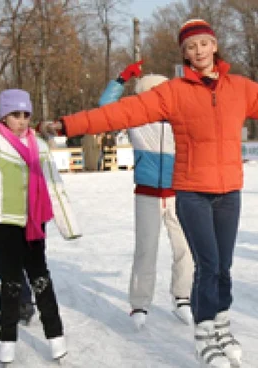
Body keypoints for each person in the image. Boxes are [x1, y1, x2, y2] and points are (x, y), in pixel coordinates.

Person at [39, 19, 258, 368]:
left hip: (229, 192)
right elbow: (121, 113)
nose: (198, 51)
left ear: (215, 45)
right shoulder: (173, 92)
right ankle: (204, 335)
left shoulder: (240, 88)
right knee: (207, 266)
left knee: (224, 267)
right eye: (191, 47)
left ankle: (221, 325)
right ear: (185, 54)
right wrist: (68, 124)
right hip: (191, 192)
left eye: (204, 44)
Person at [0, 89, 81, 363]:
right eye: (15, 115)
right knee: (12, 283)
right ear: (4, 116)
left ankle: (56, 336)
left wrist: (68, 225)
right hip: (2, 223)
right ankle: (7, 341)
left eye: (26, 115)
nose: (21, 121)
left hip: (33, 222)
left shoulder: (39, 145)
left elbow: (54, 184)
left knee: (41, 279)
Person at [97, 63, 194, 329]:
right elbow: (105, 105)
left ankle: (182, 297)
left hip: (179, 193)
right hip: (147, 194)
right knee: (146, 250)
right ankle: (140, 304)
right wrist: (121, 78)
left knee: (185, 248)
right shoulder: (135, 119)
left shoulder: (180, 118)